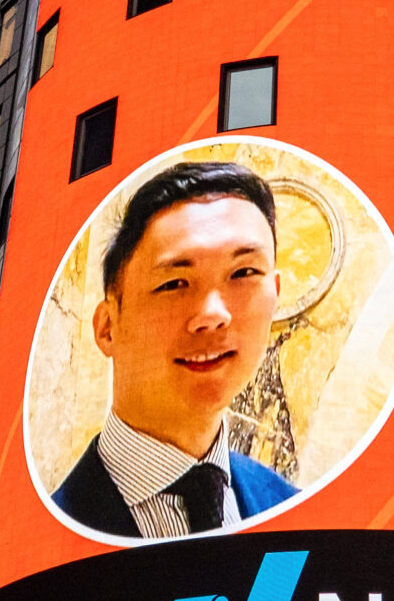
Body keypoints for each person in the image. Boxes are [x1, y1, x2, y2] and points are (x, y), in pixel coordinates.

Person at [53, 161, 301, 539]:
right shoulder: (52, 531)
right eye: (174, 283)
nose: (213, 315)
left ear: (276, 296)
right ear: (107, 327)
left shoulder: (292, 510)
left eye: (244, 273)